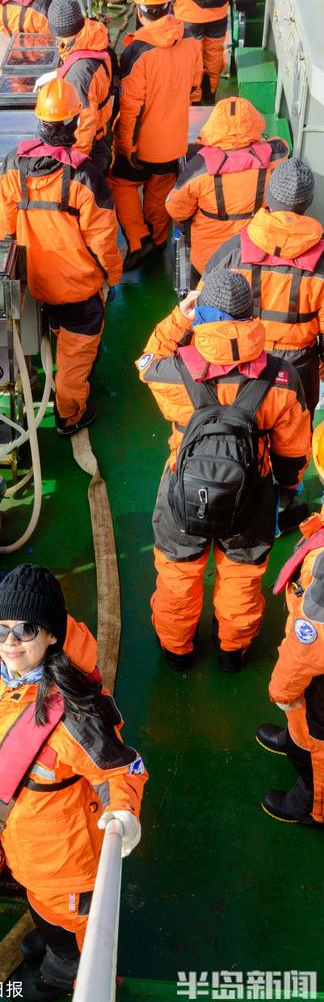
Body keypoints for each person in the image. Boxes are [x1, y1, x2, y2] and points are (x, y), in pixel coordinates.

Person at [0, 564, 147, 1002]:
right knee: (43, 908)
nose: (10, 643)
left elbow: (122, 769)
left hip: (66, 865)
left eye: (24, 629)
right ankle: (51, 935)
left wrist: (124, 813)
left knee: (71, 926)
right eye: (0, 631)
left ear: (52, 635)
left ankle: (62, 973)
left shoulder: (75, 717)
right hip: (24, 850)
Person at [137, 270, 310, 672]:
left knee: (178, 574)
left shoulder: (173, 371)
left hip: (183, 489)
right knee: (242, 576)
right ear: (251, 316)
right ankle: (233, 649)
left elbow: (147, 360)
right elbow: (293, 447)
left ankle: (176, 648)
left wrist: (178, 318)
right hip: (251, 491)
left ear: (203, 316)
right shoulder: (283, 377)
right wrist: (285, 487)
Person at [0, 76, 122, 435]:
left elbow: (2, 227)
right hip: (79, 288)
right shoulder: (84, 176)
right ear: (74, 122)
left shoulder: (12, 166)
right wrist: (113, 276)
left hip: (38, 283)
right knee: (76, 358)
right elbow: (104, 240)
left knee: (58, 332)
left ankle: (56, 382)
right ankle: (70, 415)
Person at [202, 158, 324, 423]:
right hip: (298, 368)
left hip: (241, 363)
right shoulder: (321, 264)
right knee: (294, 437)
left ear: (270, 195)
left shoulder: (231, 252)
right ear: (308, 202)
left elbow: (203, 314)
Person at [107, 0, 202, 271]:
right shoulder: (190, 41)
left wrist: (125, 146)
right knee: (159, 191)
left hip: (142, 145)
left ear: (139, 12)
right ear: (169, 6)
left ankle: (138, 240)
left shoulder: (137, 52)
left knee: (120, 183)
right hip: (173, 143)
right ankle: (159, 240)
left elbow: (130, 107)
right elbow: (195, 89)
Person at [257, 450, 324, 825]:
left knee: (316, 752)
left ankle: (312, 808)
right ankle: (292, 737)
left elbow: (310, 647)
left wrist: (281, 691)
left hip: (317, 686)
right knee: (301, 724)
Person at [165, 97, 289, 283]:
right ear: (254, 120)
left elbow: (175, 209)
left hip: (209, 260)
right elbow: (281, 145)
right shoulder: (276, 156)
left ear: (214, 123)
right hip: (257, 255)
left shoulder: (198, 168)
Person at [46, 0, 117, 171]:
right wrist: (59, 74)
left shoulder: (78, 76)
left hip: (92, 148)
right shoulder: (94, 38)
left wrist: (75, 164)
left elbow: (85, 125)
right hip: (103, 133)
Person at [160, 0, 240, 104]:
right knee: (214, 54)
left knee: (192, 59)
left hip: (189, 15)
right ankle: (211, 93)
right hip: (219, 12)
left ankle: (194, 99)